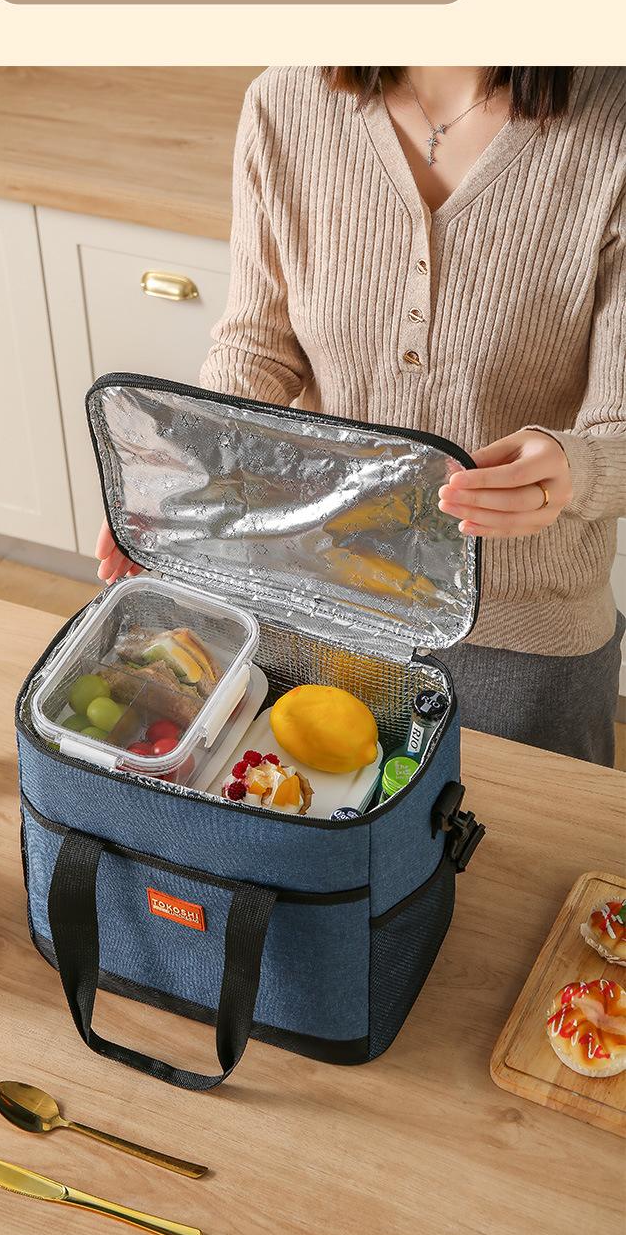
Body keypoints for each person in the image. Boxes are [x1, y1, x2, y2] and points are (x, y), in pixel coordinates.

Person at [97, 66, 626, 766]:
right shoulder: (285, 104)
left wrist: (574, 470)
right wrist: (176, 479)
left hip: (525, 638)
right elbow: (259, 344)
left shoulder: (612, 125)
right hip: (314, 601)